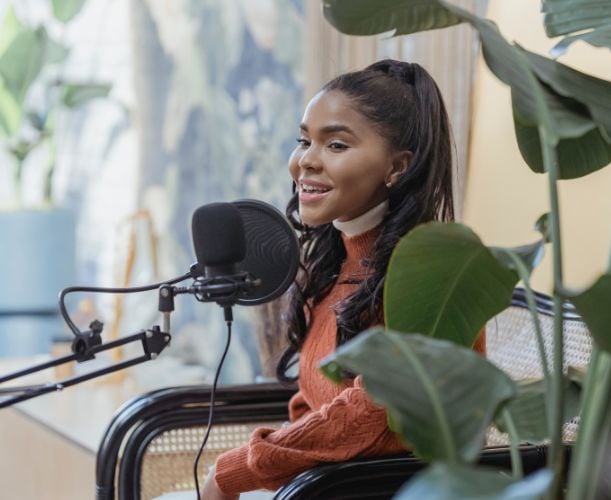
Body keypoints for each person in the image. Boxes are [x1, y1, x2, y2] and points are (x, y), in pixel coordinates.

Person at [202, 59, 484, 499]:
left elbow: (369, 413)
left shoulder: (435, 271)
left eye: (335, 145)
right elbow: (313, 404)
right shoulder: (332, 264)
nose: (305, 162)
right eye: (304, 141)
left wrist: (236, 470)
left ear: (397, 167)